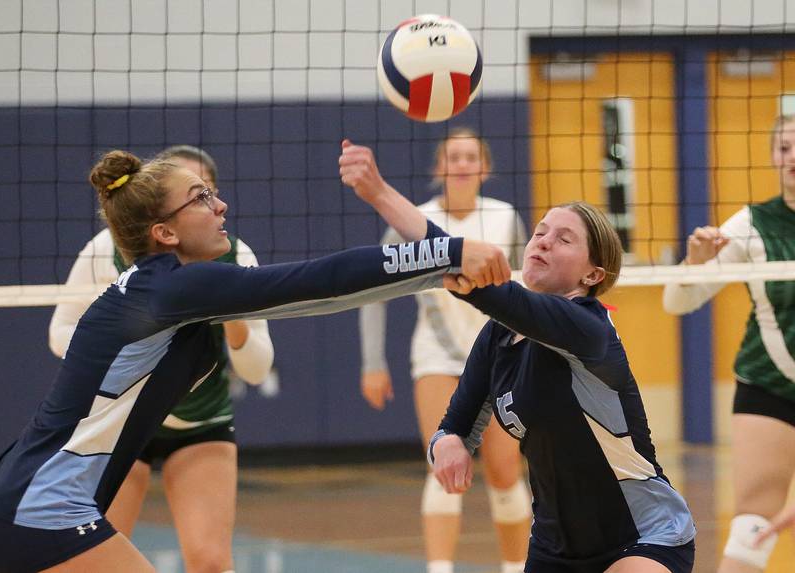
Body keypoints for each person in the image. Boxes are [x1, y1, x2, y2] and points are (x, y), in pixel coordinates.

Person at [0, 148, 511, 573]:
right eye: (201, 198)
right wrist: (446, 254)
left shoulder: (173, 289)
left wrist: (435, 271)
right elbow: (317, 280)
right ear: (165, 233)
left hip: (35, 495)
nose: (221, 207)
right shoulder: (170, 286)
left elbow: (313, 300)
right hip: (44, 503)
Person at [340, 140, 697, 573]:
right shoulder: (497, 340)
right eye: (541, 232)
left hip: (643, 535)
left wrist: (380, 194)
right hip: (554, 549)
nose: (543, 242)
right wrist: (447, 445)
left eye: (563, 239)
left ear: (593, 273)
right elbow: (454, 427)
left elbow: (480, 286)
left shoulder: (587, 328)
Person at [47, 145, 274, 573]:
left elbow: (257, 369)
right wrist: (117, 349)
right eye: (194, 194)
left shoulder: (234, 255)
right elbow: (60, 332)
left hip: (200, 422)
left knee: (210, 562)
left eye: (208, 193)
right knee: (95, 559)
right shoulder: (106, 250)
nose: (211, 205)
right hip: (122, 423)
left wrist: (236, 321)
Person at [357, 128, 531, 573]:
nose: (461, 164)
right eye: (453, 156)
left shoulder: (505, 217)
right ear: (441, 167)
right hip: (437, 357)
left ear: (484, 168)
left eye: (470, 156)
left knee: (504, 473)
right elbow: (372, 289)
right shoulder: (413, 219)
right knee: (445, 463)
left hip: (497, 355)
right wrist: (374, 363)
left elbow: (527, 289)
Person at [663, 114, 795, 573]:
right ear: (774, 158)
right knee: (752, 526)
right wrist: (695, 263)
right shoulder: (752, 223)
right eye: (784, 147)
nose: (793, 155)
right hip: (768, 384)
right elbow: (677, 302)